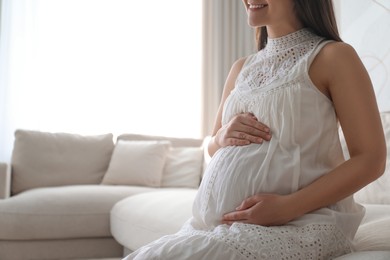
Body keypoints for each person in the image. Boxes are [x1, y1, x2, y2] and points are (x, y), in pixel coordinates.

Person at [124, 0, 386, 259]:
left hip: (301, 224)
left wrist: (287, 207)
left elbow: (370, 159)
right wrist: (221, 135)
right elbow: (213, 148)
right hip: (215, 227)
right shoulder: (241, 67)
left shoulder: (333, 56)